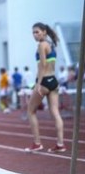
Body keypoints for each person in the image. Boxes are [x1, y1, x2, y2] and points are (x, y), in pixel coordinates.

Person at [25, 22, 65, 153]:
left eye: (37, 32)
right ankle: (60, 144)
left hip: (44, 82)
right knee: (55, 113)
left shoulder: (42, 45)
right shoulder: (51, 44)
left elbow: (42, 65)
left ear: (44, 32)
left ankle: (37, 143)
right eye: (33, 33)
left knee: (30, 111)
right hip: (53, 81)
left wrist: (38, 83)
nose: (34, 35)